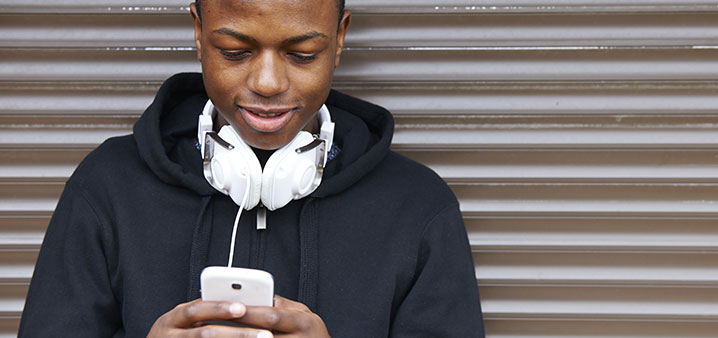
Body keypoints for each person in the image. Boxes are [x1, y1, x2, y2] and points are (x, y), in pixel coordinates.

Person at [18, 0, 484, 337]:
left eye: (302, 54)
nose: (267, 83)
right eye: (234, 51)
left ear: (339, 37)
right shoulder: (108, 186)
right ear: (199, 31)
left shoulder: (419, 206)